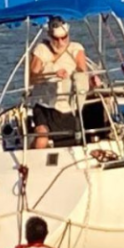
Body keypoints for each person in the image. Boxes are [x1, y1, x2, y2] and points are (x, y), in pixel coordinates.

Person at [29, 16, 95, 149]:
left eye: (63, 37)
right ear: (49, 35)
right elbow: (32, 78)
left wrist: (91, 79)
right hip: (44, 105)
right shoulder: (41, 50)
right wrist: (52, 74)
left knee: (72, 143)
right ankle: (29, 163)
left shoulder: (76, 49)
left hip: (67, 106)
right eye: (56, 38)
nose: (60, 42)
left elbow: (83, 73)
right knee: (42, 137)